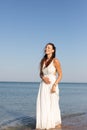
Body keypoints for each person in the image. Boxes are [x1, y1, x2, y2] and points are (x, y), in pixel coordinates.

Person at [36, 43, 62, 130]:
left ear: (53, 50)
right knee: (43, 104)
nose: (46, 49)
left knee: (53, 104)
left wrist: (55, 85)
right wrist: (43, 78)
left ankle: (53, 124)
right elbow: (40, 73)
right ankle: (43, 124)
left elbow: (61, 75)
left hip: (52, 85)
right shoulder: (42, 61)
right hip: (43, 85)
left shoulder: (55, 61)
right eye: (46, 47)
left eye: (48, 47)